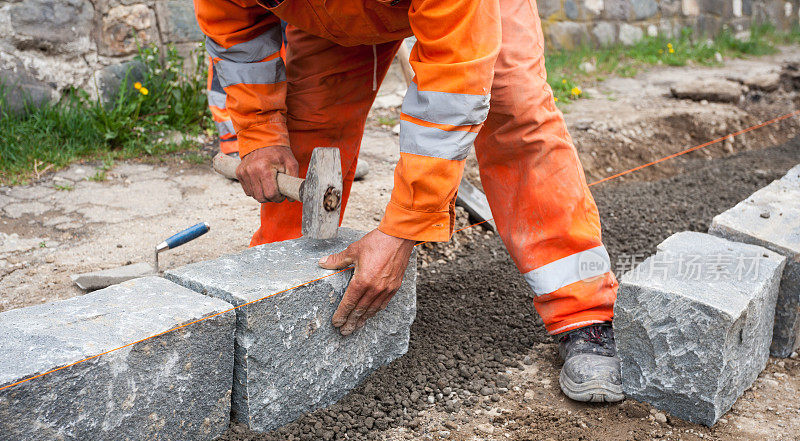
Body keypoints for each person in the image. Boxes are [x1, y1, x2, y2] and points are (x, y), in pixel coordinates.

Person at [195, 0, 623, 403]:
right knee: (309, 128)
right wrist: (263, 131)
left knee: (512, 108)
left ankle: (583, 312)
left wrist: (402, 230)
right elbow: (238, 32)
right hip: (327, 16)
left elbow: (453, 92)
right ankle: (275, 299)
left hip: (465, 13)